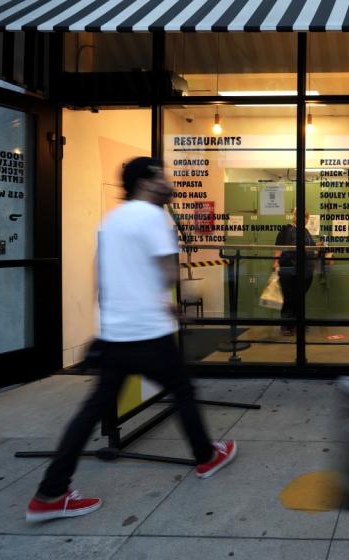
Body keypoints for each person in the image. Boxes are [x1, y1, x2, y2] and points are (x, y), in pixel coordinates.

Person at [26, 157, 236, 523]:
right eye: (161, 176)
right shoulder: (153, 217)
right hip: (147, 332)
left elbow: (102, 276)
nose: (167, 182)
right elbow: (169, 272)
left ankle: (49, 493)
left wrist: (110, 320)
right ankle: (206, 457)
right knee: (183, 391)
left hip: (115, 333)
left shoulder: (111, 221)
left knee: (92, 411)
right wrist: (169, 305)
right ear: (146, 181)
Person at [273, 208, 316, 336]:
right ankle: (286, 326)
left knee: (299, 297)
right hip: (289, 268)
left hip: (305, 270)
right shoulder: (286, 230)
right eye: (301, 216)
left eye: (306, 217)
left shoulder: (306, 231)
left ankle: (298, 324)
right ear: (294, 217)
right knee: (289, 297)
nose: (304, 219)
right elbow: (278, 247)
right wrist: (275, 262)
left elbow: (311, 247)